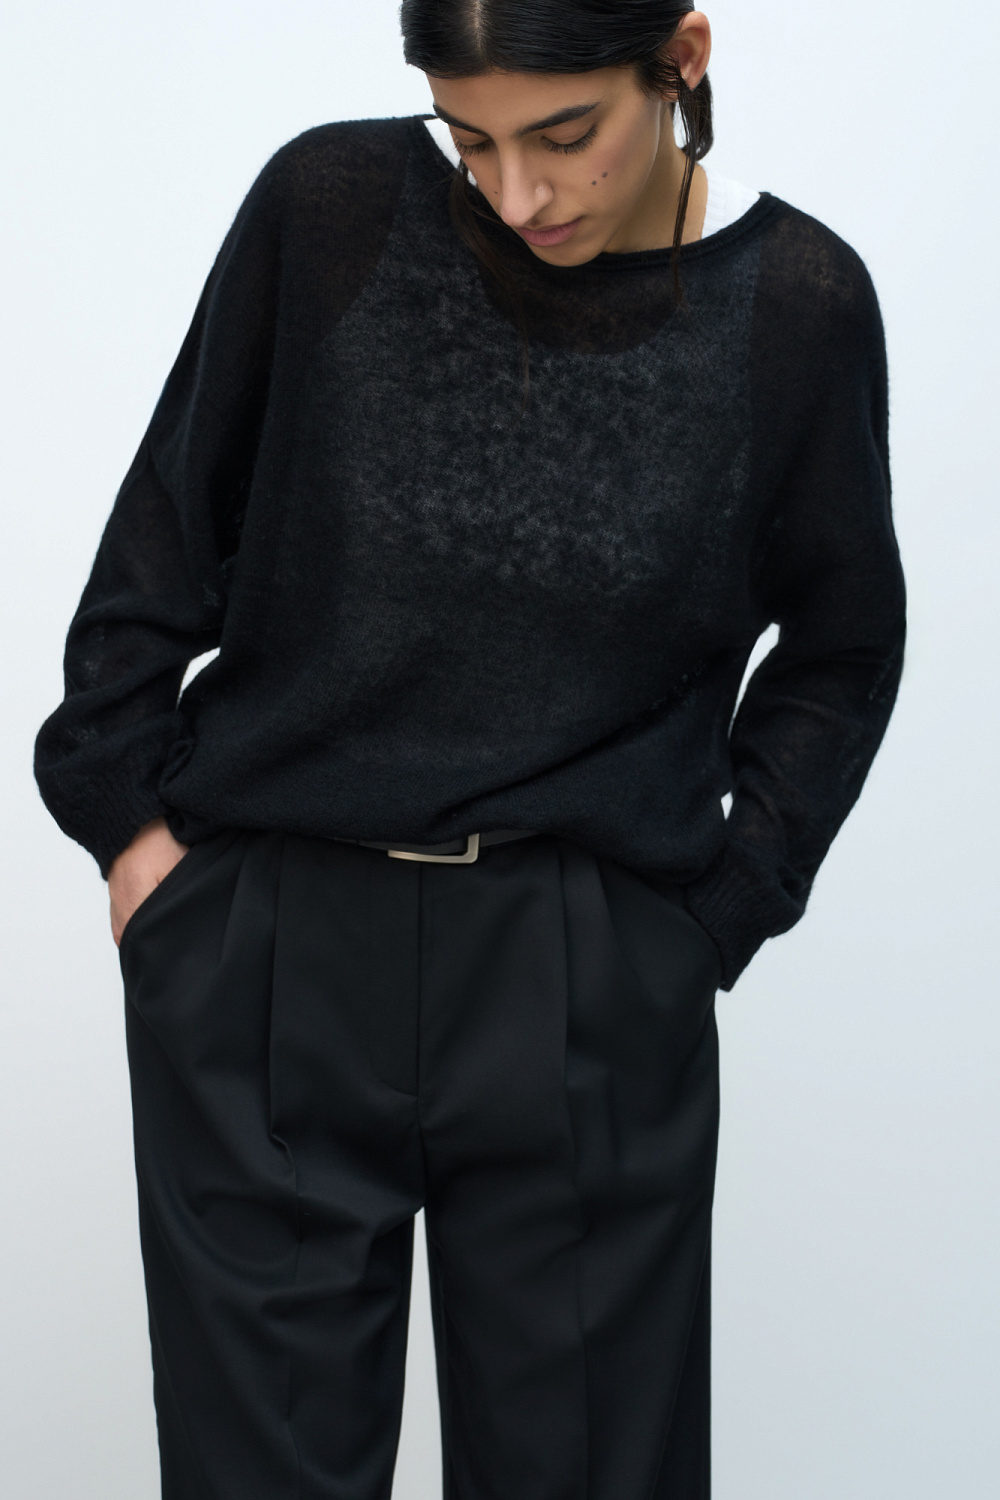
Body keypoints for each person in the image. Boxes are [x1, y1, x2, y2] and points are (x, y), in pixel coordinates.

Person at [33, 2, 906, 1496]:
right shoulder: (331, 209)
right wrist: (137, 842)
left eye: (563, 134)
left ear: (682, 58)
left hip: (583, 976)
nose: (516, 193)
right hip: (272, 951)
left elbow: (843, 644)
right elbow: (157, 555)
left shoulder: (797, 305)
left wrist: (714, 912)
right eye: (470, 138)